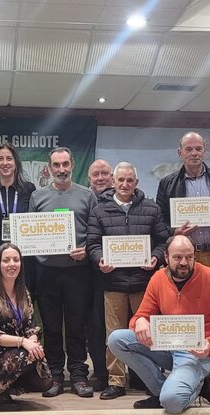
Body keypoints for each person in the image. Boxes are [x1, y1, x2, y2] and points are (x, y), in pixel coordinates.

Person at [107, 236, 210, 414]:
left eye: (190, 257)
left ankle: (183, 391)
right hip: (167, 345)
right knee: (116, 339)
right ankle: (165, 391)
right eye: (178, 257)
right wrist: (139, 321)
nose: (184, 262)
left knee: (173, 403)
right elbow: (141, 316)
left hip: (199, 353)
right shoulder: (158, 279)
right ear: (166, 257)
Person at [155, 131, 210, 396]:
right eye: (189, 149)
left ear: (205, 151)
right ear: (179, 152)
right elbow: (160, 223)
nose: (194, 153)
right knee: (185, 316)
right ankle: (192, 368)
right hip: (184, 257)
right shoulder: (168, 183)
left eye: (198, 149)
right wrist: (174, 230)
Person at [86, 162, 169, 399]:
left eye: (129, 180)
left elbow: (163, 240)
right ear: (113, 181)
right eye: (120, 180)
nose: (124, 185)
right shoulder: (99, 210)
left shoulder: (152, 209)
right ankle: (116, 381)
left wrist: (155, 257)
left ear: (136, 183)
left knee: (147, 335)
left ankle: (146, 377)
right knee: (114, 335)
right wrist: (100, 259)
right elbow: (92, 244)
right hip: (113, 283)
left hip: (145, 284)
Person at [28, 147, 97, 398]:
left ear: (73, 164)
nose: (61, 169)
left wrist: (88, 249)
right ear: (49, 168)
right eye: (56, 165)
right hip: (47, 272)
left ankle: (78, 375)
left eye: (65, 164)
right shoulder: (38, 197)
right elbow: (30, 233)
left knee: (77, 327)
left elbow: (95, 232)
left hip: (78, 272)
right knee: (52, 327)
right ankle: (55, 375)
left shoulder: (87, 196)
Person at [0, 243, 53, 410]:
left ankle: (6, 389)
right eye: (6, 260)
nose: (12, 264)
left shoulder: (24, 292)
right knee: (25, 354)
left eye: (16, 260)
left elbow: (32, 326)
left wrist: (33, 342)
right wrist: (23, 342)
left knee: (45, 380)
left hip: (16, 350)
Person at [0, 142, 37, 286]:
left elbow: (34, 223)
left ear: (16, 162)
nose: (5, 163)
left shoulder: (29, 189)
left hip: (21, 258)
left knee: (20, 302)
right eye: (0, 159)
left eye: (9, 158)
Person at [86, 159, 114, 390]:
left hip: (121, 276)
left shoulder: (129, 201)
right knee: (95, 326)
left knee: (120, 326)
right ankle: (101, 371)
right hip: (88, 275)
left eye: (105, 173)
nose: (101, 178)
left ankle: (127, 372)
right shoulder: (84, 199)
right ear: (89, 179)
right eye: (96, 174)